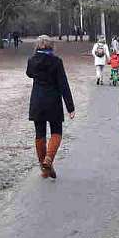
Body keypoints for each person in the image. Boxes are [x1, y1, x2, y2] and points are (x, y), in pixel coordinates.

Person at [26, 35, 76, 179]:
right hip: (53, 101)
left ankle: (44, 167)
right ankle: (48, 160)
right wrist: (70, 107)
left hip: (37, 101)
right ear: (51, 46)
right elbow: (63, 84)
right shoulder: (56, 61)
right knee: (56, 132)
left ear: (37, 46)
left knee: (40, 134)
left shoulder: (32, 61)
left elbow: (29, 74)